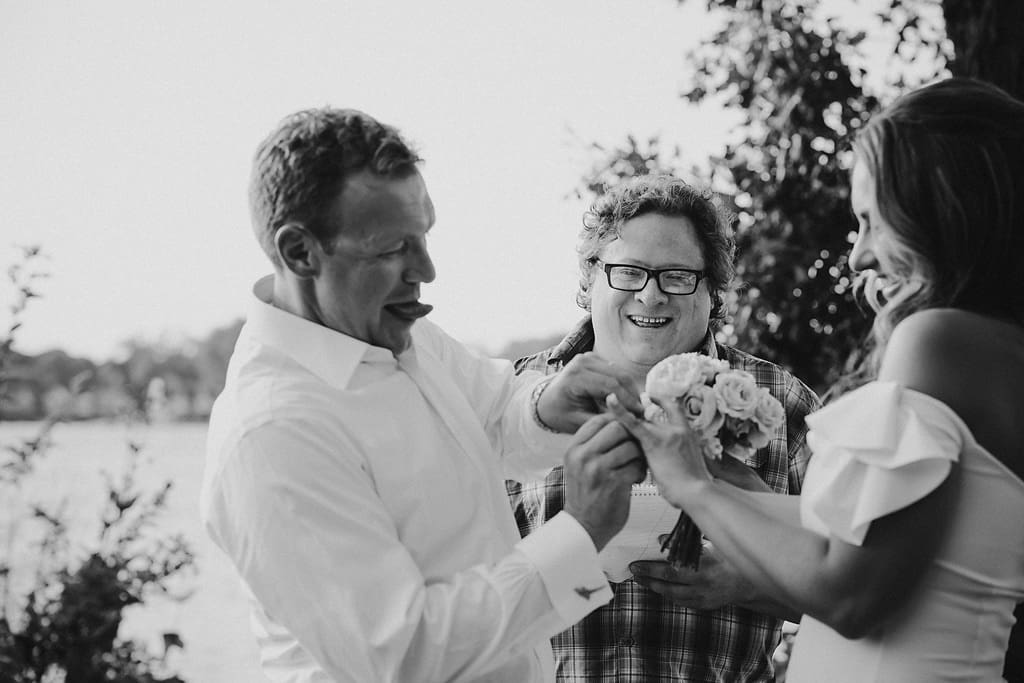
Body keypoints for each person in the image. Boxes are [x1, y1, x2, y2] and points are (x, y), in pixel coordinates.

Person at [199, 107, 650, 682]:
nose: (427, 270)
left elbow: (491, 416)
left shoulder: (395, 331)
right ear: (299, 253)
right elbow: (405, 654)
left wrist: (547, 405)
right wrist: (580, 534)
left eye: (424, 236)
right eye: (391, 249)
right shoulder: (272, 434)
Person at [609, 77, 1024, 682]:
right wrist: (741, 489)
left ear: (941, 211)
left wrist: (694, 486)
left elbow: (850, 594)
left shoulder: (936, 339)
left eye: (871, 221)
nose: (857, 255)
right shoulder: (994, 350)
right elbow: (900, 547)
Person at [506, 174, 821, 681]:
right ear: (592, 279)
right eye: (628, 272)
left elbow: (858, 586)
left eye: (677, 275)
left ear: (712, 288)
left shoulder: (781, 403)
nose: (651, 296)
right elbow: (462, 589)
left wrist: (749, 580)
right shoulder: (518, 399)